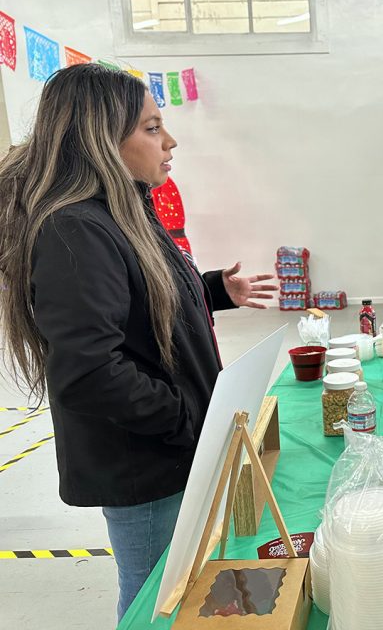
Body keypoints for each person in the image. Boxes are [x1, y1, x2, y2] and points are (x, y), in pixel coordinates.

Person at [0, 64, 276, 620]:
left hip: (167, 448)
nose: (169, 141)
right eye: (152, 129)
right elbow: (88, 370)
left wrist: (215, 290)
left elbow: (141, 297)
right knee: (157, 598)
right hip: (145, 463)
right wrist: (184, 419)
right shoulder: (74, 228)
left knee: (181, 583)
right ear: (102, 139)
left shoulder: (121, 210)